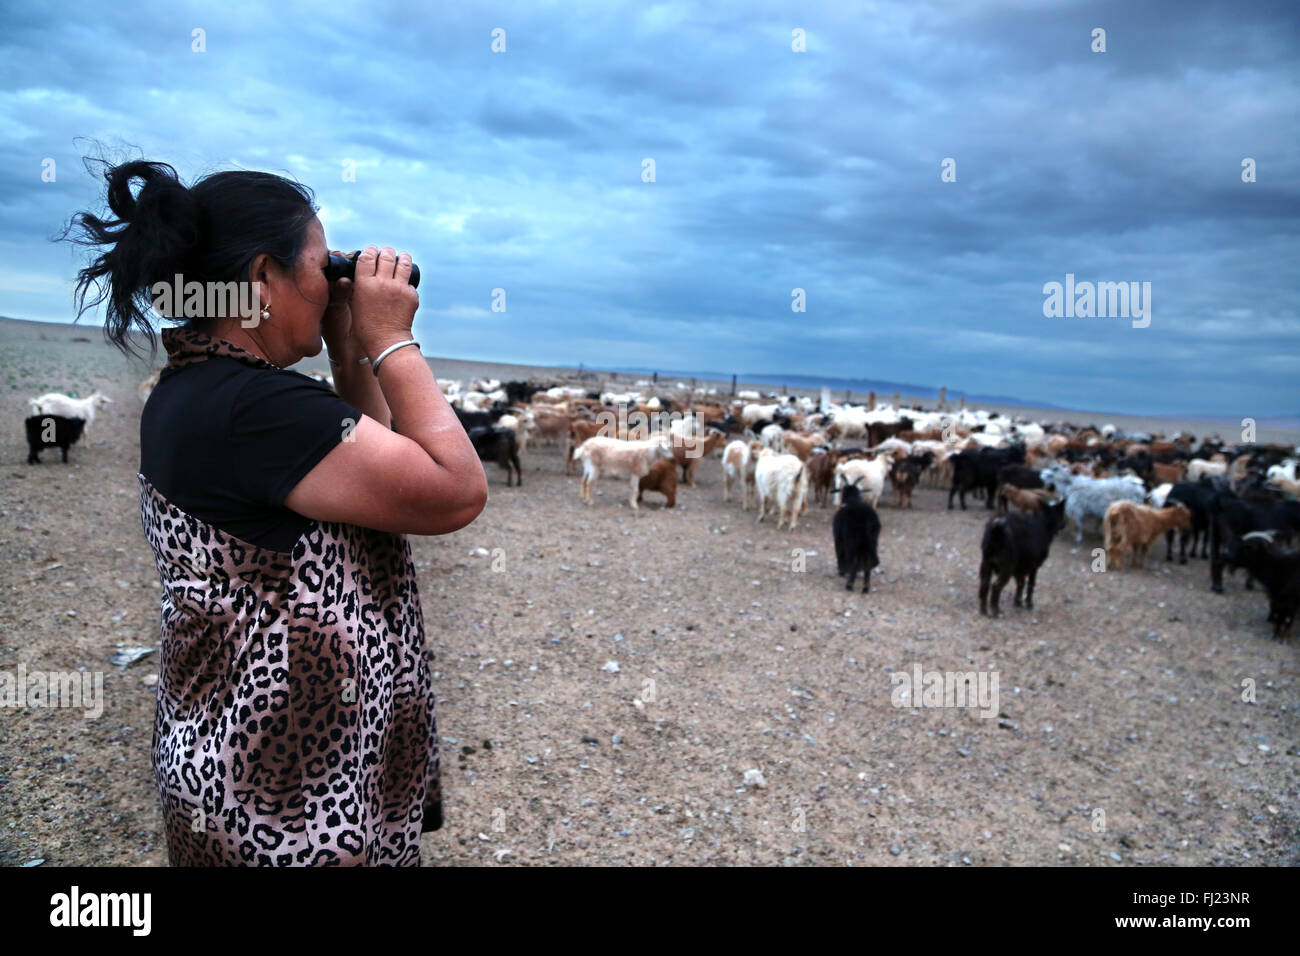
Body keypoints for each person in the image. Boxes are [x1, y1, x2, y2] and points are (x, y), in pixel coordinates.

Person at [64, 158, 488, 865]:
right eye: (324, 269)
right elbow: (455, 490)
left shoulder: (203, 390)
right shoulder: (257, 411)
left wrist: (351, 346)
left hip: (248, 764)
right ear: (264, 278)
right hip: (293, 801)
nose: (334, 287)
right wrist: (392, 340)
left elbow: (376, 491)